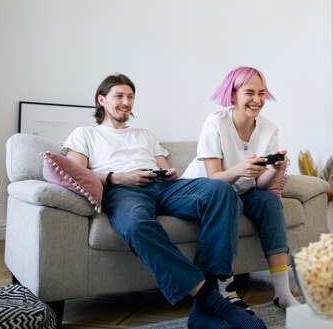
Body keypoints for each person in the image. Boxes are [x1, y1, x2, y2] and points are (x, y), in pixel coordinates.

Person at [63, 73, 267, 329]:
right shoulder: (85, 134)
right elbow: (77, 174)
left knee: (220, 189)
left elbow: (166, 168)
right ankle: (213, 302)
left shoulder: (145, 134)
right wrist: (119, 177)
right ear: (101, 100)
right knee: (136, 225)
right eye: (119, 96)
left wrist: (168, 172)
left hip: (163, 187)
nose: (126, 102)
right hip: (124, 190)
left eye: (130, 97)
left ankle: (210, 299)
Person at [182, 66, 301, 313]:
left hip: (239, 190)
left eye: (261, 93)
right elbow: (214, 178)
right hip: (204, 191)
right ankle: (226, 291)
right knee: (228, 198)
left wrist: (277, 169)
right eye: (249, 92)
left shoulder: (269, 129)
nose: (257, 99)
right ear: (233, 94)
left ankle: (283, 293)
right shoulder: (216, 123)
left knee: (269, 202)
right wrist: (240, 170)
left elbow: (260, 185)